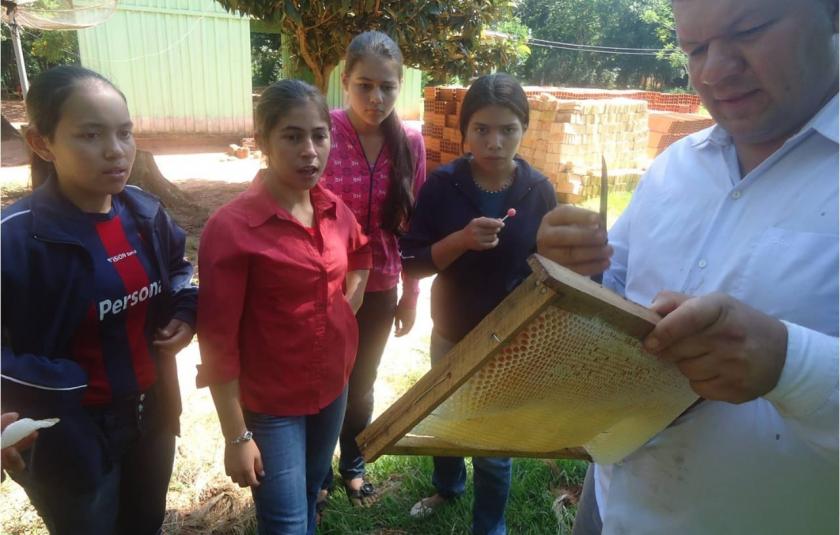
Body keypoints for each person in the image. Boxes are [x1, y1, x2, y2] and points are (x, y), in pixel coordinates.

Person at [535, 0, 839, 532]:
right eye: (694, 48)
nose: (714, 71)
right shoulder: (674, 166)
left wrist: (790, 364)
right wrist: (575, 273)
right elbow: (615, 287)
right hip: (610, 502)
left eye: (750, 29)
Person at [1, 65, 197, 534]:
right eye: (90, 135)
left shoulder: (145, 214)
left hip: (152, 415)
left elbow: (179, 272)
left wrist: (187, 313)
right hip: (62, 434)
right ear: (41, 142)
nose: (116, 150)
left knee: (144, 524)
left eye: (124, 133)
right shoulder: (15, 241)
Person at [196, 79, 372, 535]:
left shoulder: (333, 208)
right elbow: (217, 340)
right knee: (285, 522)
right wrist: (237, 436)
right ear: (264, 143)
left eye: (319, 135)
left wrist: (343, 311)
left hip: (332, 389)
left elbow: (362, 254)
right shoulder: (232, 228)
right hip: (272, 405)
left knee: (313, 491)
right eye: (292, 136)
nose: (310, 150)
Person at [400, 73, 558, 535]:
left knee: (493, 441)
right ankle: (446, 485)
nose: (494, 141)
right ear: (466, 131)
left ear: (523, 130)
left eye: (508, 129)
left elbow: (550, 265)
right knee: (446, 420)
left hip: (511, 337)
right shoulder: (442, 186)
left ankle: (489, 526)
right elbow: (413, 263)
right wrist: (461, 241)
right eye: (482, 129)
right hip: (451, 328)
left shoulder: (537, 190)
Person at [319, 29, 426, 507]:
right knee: (321, 379)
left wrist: (412, 293)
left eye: (388, 87)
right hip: (320, 285)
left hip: (381, 284)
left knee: (361, 383)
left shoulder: (410, 143)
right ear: (345, 81)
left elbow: (412, 225)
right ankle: (317, 468)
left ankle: (353, 462)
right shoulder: (321, 129)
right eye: (365, 85)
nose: (376, 98)